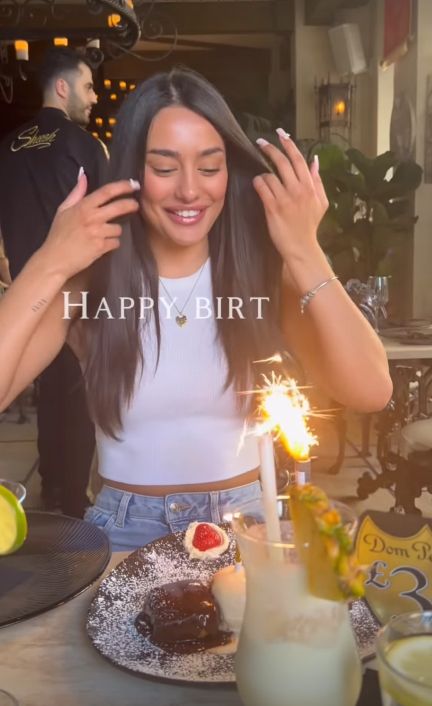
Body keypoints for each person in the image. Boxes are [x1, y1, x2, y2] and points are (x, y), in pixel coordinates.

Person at [0, 67, 393, 549]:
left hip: (249, 525)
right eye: (165, 168)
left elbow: (372, 390)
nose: (190, 190)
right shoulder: (94, 275)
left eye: (209, 167)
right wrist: (49, 262)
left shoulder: (261, 271)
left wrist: (305, 251)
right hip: (125, 533)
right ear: (133, 173)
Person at [0, 47, 107, 517]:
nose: (95, 97)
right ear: (61, 88)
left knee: (48, 386)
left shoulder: (7, 148)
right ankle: (72, 494)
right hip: (79, 290)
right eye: (87, 87)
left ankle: (50, 481)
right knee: (78, 389)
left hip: (26, 294)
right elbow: (109, 220)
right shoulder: (86, 146)